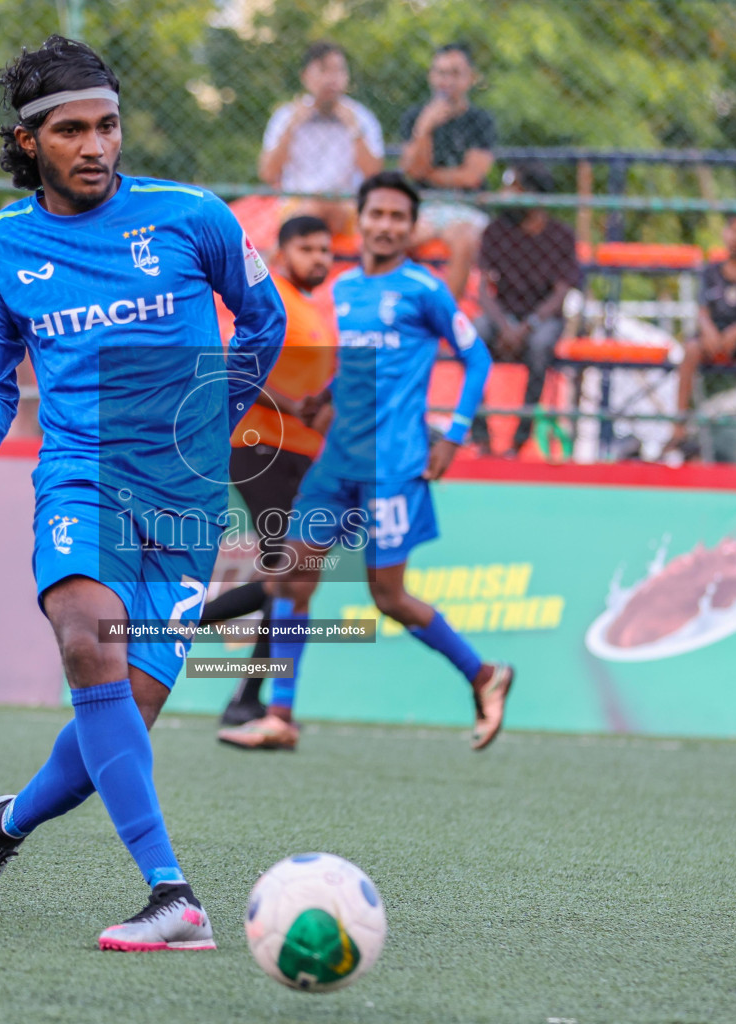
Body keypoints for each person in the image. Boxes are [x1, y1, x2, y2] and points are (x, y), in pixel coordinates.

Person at [0, 37, 285, 950]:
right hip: (83, 474)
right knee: (87, 642)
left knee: (120, 722)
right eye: (70, 129)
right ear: (29, 141)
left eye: (106, 125)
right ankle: (173, 896)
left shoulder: (193, 217)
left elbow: (264, 320)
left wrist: (212, 416)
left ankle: (4, 828)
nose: (94, 146)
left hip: (187, 499)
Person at [216, 171, 513, 753]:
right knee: (289, 578)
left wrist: (452, 435)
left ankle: (484, 674)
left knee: (389, 598)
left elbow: (476, 358)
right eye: (376, 214)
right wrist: (319, 404)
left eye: (398, 217)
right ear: (362, 218)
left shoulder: (423, 290)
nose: (385, 225)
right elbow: (345, 370)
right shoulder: (343, 290)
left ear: (409, 228)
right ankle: (279, 715)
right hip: (335, 464)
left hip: (393, 467)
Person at [198, 214, 336, 728]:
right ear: (282, 252)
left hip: (301, 454)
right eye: (308, 248)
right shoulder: (270, 296)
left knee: (292, 574)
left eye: (325, 249)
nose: (319, 257)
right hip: (259, 445)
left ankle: (248, 699)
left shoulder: (315, 313)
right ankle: (180, 628)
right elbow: (235, 362)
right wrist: (293, 405)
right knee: (287, 567)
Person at [474, 162, 581, 456]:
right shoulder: (496, 231)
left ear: (534, 196)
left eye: (514, 189)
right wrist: (505, 325)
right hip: (502, 315)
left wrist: (528, 325)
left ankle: (519, 439)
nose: (506, 196)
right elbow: (484, 289)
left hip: (541, 318)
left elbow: (561, 292)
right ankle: (480, 435)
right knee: (473, 336)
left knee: (539, 345)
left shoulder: (560, 235)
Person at [672, 213, 736, 459]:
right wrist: (708, 330)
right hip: (714, 333)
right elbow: (702, 311)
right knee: (690, 349)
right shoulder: (710, 272)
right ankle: (679, 425)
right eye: (733, 230)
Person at [399, 42, 497, 299]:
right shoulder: (416, 117)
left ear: (470, 78)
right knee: (392, 237)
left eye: (455, 73)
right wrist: (425, 128)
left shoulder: (480, 121)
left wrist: (428, 174)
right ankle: (401, 310)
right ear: (432, 76)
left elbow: (471, 177)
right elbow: (412, 171)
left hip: (466, 208)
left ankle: (448, 318)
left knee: (463, 242)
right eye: (441, 73)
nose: (447, 80)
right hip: (425, 207)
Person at [259, 42, 384, 235]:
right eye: (323, 70)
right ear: (305, 77)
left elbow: (374, 175)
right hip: (296, 204)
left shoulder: (361, 117)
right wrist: (290, 130)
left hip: (347, 206)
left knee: (325, 206)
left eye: (339, 71)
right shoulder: (285, 117)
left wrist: (354, 130)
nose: (331, 79)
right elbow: (268, 174)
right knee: (313, 208)